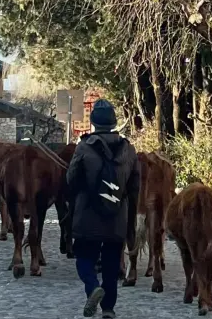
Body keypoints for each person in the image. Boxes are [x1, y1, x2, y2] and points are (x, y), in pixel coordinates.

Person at [67, 99, 140, 319]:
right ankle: (108, 308)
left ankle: (92, 288)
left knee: (84, 259)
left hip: (87, 216)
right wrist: (131, 224)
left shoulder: (84, 147)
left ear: (94, 123)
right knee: (110, 265)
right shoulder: (128, 149)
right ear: (114, 121)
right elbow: (135, 188)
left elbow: (71, 180)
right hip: (116, 218)